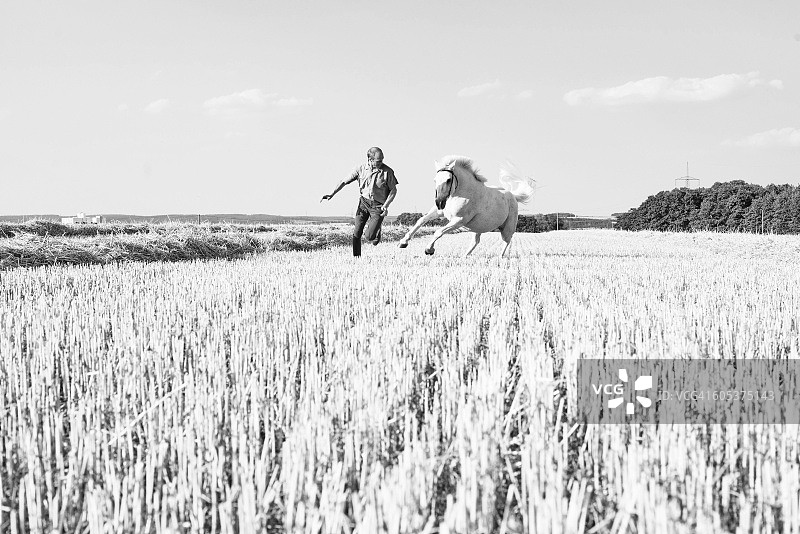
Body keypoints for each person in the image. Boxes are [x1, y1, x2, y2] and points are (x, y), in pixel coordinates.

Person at [321, 147, 398, 256]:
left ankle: (376, 230)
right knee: (357, 232)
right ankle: (356, 258)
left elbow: (393, 190)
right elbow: (344, 181)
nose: (381, 162)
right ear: (370, 159)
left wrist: (386, 205)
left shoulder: (387, 172)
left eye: (382, 160)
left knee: (369, 237)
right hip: (363, 203)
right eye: (378, 160)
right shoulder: (360, 169)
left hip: (378, 206)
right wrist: (332, 194)